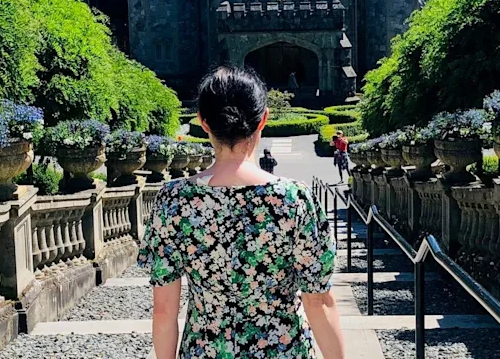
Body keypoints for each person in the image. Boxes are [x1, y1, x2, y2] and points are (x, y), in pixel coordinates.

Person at [139, 66, 345, 359]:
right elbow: (318, 302)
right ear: (264, 119)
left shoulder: (174, 200)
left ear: (203, 123)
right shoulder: (294, 199)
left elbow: (164, 311)